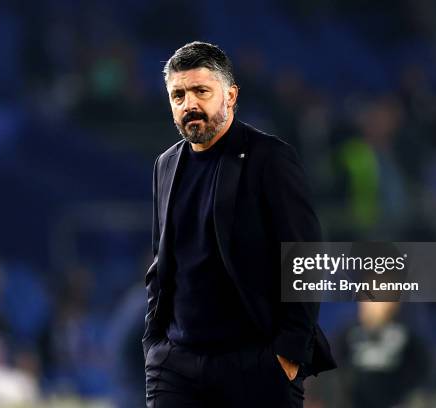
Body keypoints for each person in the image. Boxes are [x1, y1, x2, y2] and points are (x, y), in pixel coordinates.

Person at [142, 41, 336, 408]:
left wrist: (288, 354)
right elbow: (161, 264)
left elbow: (305, 258)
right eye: (178, 95)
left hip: (255, 362)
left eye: (201, 91)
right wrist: (154, 346)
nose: (189, 104)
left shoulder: (270, 158)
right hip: (176, 366)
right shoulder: (165, 165)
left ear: (230, 95)